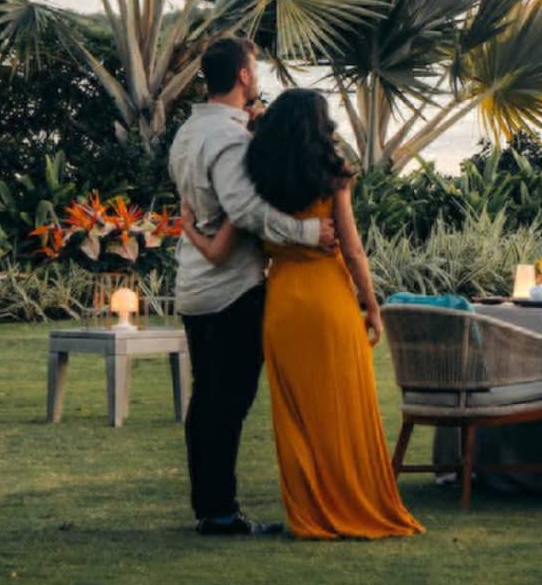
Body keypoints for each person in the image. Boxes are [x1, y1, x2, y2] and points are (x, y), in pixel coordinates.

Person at [180, 88, 422, 542]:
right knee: (342, 405)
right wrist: (371, 305)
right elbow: (351, 249)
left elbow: (229, 236)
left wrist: (190, 229)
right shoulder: (332, 175)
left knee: (297, 415)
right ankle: (353, 501)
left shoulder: (257, 176)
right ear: (320, 126)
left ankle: (309, 510)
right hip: (328, 300)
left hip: (283, 304)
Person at [169, 36, 338, 537]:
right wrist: (308, 232)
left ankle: (212, 506)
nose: (258, 75)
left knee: (209, 399)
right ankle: (219, 511)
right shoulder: (227, 137)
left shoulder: (190, 131)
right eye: (255, 67)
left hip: (197, 283)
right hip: (231, 289)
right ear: (243, 75)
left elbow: (204, 208)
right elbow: (244, 210)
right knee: (229, 401)